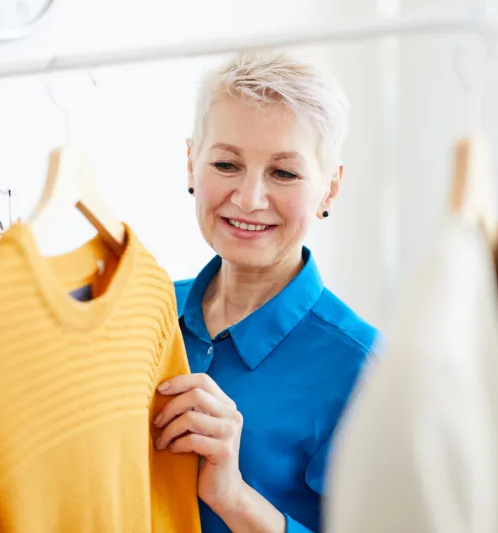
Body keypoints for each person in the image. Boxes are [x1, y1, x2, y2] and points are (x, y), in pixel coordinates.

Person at [152, 49, 381, 533]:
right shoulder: (143, 311)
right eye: (227, 164)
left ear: (330, 189)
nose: (250, 198)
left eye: (284, 173)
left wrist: (232, 496)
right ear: (191, 163)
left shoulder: (366, 370)